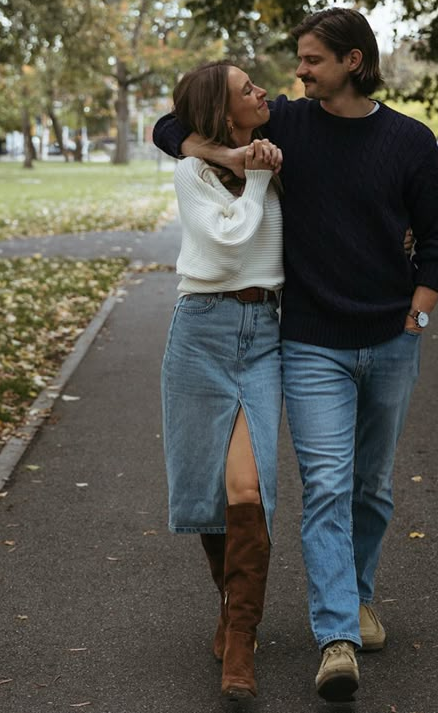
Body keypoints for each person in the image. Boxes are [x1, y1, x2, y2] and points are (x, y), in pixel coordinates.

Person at [154, 9, 438, 703]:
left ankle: (356, 598)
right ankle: (336, 636)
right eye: (299, 60)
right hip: (311, 342)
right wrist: (229, 156)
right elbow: (171, 126)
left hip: (390, 337)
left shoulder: (409, 141)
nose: (297, 72)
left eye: (313, 60)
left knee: (370, 487)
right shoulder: (287, 125)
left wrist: (417, 314)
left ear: (354, 61)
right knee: (324, 484)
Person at [160, 60, 284, 701]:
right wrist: (254, 178)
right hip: (200, 331)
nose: (263, 92)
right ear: (222, 113)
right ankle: (233, 614)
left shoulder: (278, 151)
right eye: (247, 90)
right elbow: (227, 240)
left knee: (247, 487)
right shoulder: (193, 171)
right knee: (208, 490)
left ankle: (241, 639)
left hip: (264, 333)